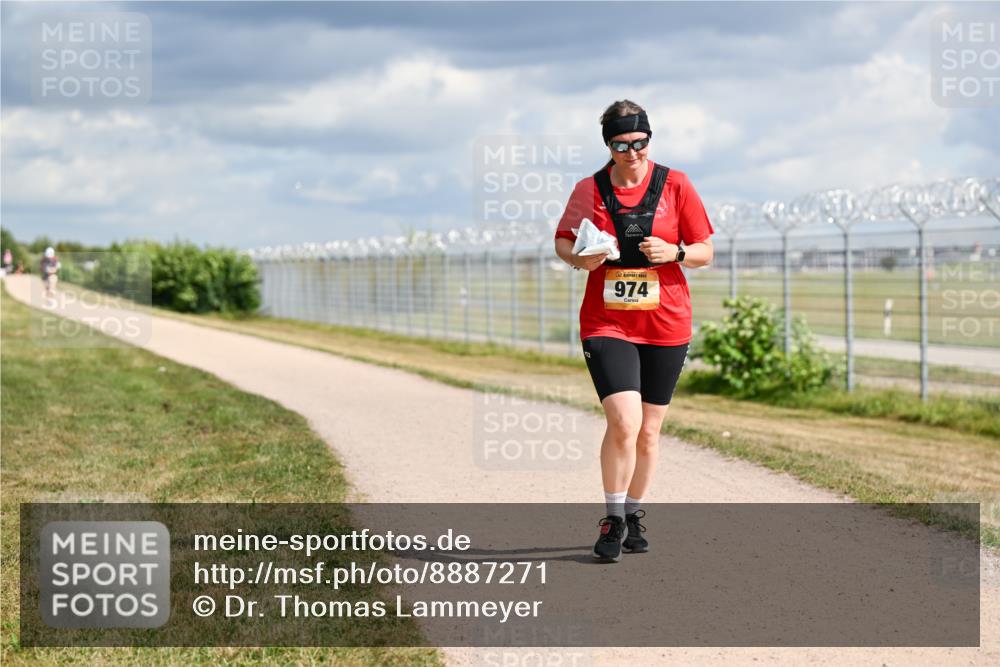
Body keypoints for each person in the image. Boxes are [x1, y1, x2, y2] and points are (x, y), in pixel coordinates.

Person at [554, 100, 714, 563]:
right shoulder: (590, 188)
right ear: (609, 145)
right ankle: (613, 516)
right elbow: (564, 239)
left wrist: (676, 253)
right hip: (607, 320)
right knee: (624, 422)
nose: (633, 152)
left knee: (649, 432)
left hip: (666, 320)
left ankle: (635, 511)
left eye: (640, 142)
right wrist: (577, 259)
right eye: (622, 144)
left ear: (649, 139)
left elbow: (706, 250)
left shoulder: (676, 184)